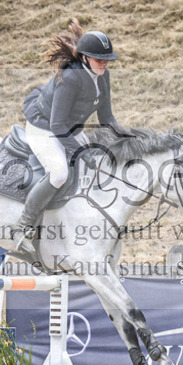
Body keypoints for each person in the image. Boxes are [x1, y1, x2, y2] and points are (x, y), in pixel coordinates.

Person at [12, 23, 124, 256]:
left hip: (67, 127)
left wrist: (123, 138)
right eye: (98, 59)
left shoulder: (103, 76)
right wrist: (81, 152)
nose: (104, 63)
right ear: (84, 57)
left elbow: (106, 116)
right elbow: (56, 125)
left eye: (106, 59)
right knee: (60, 173)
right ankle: (23, 226)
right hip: (43, 127)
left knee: (97, 167)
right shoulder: (71, 77)